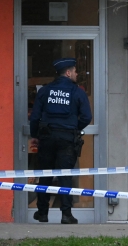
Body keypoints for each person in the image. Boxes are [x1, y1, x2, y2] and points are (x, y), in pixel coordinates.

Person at [29, 58, 92, 224]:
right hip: (67, 138)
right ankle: (66, 214)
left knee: (45, 176)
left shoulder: (45, 91)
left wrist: (34, 135)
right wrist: (73, 127)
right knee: (65, 176)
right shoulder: (77, 91)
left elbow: (35, 117)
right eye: (75, 71)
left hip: (47, 137)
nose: (77, 74)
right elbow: (87, 116)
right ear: (68, 73)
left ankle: (42, 213)